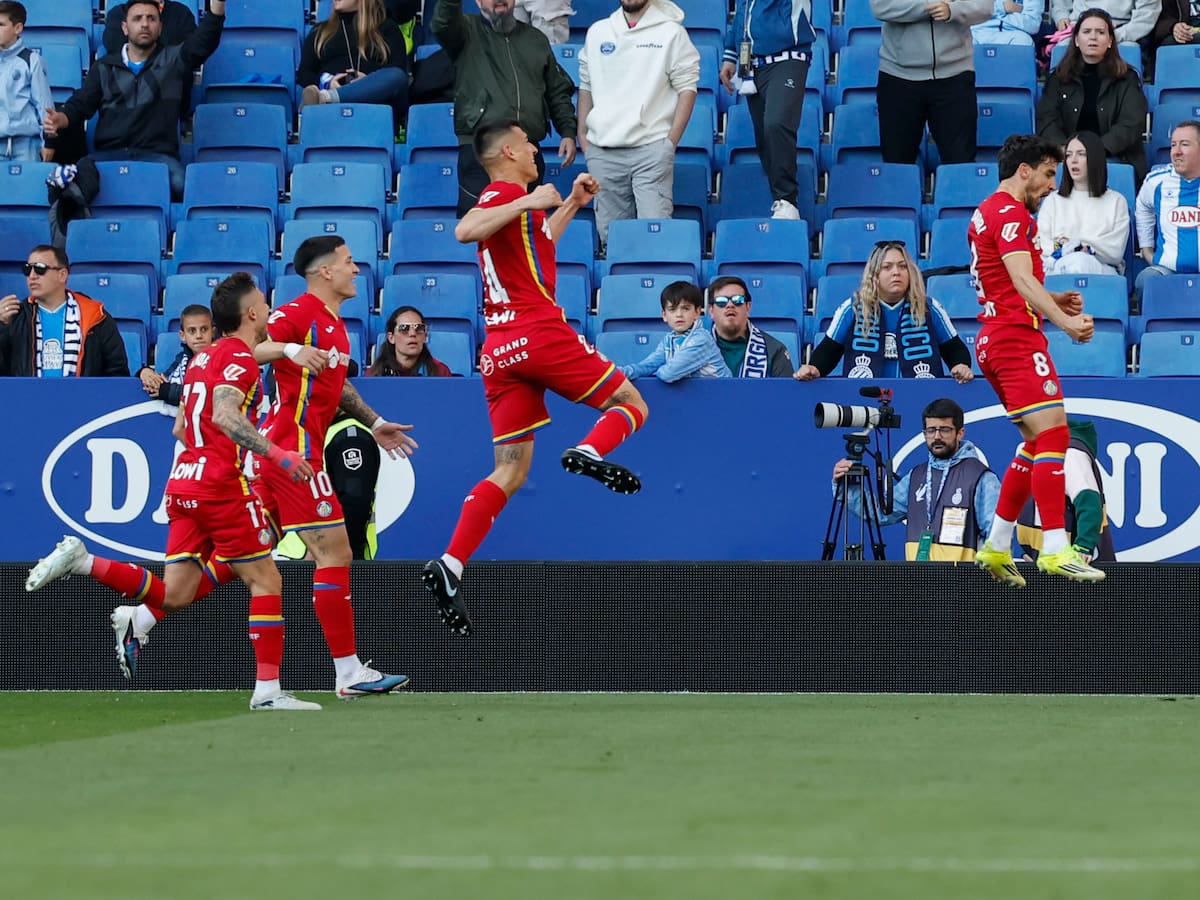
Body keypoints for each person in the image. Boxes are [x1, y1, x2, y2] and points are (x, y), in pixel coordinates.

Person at [422, 121, 649, 636]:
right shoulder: (504, 193)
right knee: (631, 403)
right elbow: (465, 229)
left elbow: (536, 242)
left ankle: (452, 564)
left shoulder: (514, 207)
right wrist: (528, 202)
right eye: (527, 143)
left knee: (510, 471)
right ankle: (590, 452)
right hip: (539, 331)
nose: (534, 150)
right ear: (507, 150)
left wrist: (568, 203)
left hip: (501, 351)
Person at [252, 235, 419, 696]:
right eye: (348, 262)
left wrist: (377, 421)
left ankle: (144, 613)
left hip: (283, 452)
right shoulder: (299, 312)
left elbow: (337, 388)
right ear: (325, 271)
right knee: (335, 554)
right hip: (294, 451)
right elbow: (247, 350)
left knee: (243, 553)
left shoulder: (335, 324)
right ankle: (348, 672)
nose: (356, 270)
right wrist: (287, 350)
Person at [969, 133, 1105, 585]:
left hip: (993, 337)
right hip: (1014, 339)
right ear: (1023, 170)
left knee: (1034, 444)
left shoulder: (987, 210)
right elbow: (1021, 281)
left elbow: (1010, 282)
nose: (1052, 185)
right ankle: (1054, 547)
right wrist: (1064, 325)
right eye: (1048, 174)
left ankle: (995, 544)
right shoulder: (1012, 213)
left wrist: (1052, 299)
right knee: (1057, 435)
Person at [42, 0, 227, 200]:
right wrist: (60, 118)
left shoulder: (173, 61)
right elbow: (81, 104)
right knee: (69, 188)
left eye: (151, 18)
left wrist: (217, 7)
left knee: (186, 188)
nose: (145, 24)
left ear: (160, 27)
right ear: (124, 27)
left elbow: (203, 42)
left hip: (158, 157)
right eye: (137, 18)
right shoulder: (104, 67)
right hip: (108, 155)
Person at [432, 0, 578, 216]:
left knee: (529, 228)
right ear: (479, 2)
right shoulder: (466, 32)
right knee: (480, 227)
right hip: (482, 151)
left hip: (527, 151)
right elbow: (442, 22)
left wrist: (567, 131)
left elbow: (556, 90)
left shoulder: (535, 39)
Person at [578, 0, 699, 245]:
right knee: (614, 243)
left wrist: (669, 143)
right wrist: (583, 135)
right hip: (603, 152)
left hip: (651, 150)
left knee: (655, 239)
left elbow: (687, 88)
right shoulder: (598, 31)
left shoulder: (672, 33)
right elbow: (586, 85)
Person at [832, 397, 1000, 560]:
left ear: (960, 433)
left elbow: (996, 538)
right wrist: (846, 486)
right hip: (918, 582)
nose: (937, 436)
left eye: (945, 429)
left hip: (962, 585)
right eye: (931, 430)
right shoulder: (916, 476)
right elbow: (880, 514)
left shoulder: (980, 477)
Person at [794, 241, 975, 382]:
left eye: (902, 266)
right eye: (887, 267)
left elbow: (955, 349)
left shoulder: (930, 308)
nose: (896, 272)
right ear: (874, 275)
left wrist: (961, 366)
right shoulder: (852, 308)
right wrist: (814, 368)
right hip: (866, 402)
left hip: (920, 401)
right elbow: (828, 351)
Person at [720, 0, 819, 220]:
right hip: (753, 63)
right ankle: (780, 198)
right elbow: (743, 13)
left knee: (776, 123)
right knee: (764, 136)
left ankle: (788, 200)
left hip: (789, 56)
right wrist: (731, 53)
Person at [871, 0, 992, 166]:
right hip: (899, 77)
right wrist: (929, 5)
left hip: (955, 76)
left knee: (960, 162)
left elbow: (985, 7)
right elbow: (881, 7)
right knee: (897, 163)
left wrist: (953, 10)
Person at [1036, 8, 1148, 186]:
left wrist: (1094, 152)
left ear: (1110, 40)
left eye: (1101, 32)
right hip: (1066, 156)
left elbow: (1131, 124)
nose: (1093, 37)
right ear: (1077, 40)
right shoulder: (1058, 77)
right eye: (1086, 32)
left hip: (1116, 157)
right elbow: (1047, 119)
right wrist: (1068, 151)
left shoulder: (1127, 78)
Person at [0, 245, 129, 377]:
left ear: (62, 275)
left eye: (40, 269)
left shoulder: (96, 316)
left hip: (81, 397)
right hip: (29, 396)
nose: (32, 276)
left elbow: (117, 372)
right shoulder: (15, 317)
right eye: (27, 269)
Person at [1017, 417, 1116, 563]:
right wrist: (1028, 551)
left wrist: (1082, 548)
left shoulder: (1070, 454)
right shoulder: (1035, 449)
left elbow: (1089, 503)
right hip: (1044, 562)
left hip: (1073, 572)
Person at [1037, 131, 1130, 276]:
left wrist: (1079, 246)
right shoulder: (1052, 201)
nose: (1073, 160)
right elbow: (1043, 247)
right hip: (1057, 267)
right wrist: (1070, 249)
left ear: (1095, 158)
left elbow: (1114, 251)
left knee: (1079, 262)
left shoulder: (1116, 201)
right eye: (1068, 155)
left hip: (1101, 271)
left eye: (1081, 154)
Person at [298, 0, 411, 120]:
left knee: (397, 75)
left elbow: (398, 75)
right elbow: (304, 74)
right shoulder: (320, 31)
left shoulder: (388, 29)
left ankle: (328, 97)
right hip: (330, 110)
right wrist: (328, 82)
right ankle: (329, 96)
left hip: (375, 105)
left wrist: (367, 81)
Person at [1134, 120, 1200, 300]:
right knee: (1145, 281)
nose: (1176, 151)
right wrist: (1146, 249)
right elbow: (1142, 207)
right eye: (1173, 145)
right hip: (1167, 271)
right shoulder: (1156, 181)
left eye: (1184, 144)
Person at [620, 280, 730, 381]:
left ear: (697, 312)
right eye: (672, 309)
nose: (679, 315)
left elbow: (669, 374)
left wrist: (653, 373)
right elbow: (648, 366)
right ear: (664, 315)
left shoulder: (701, 339)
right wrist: (618, 373)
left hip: (723, 395)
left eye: (685, 309)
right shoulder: (669, 339)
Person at [707, 275, 794, 377]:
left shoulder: (773, 349)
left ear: (748, 307)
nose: (730, 305)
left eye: (738, 300)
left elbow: (787, 392)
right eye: (721, 301)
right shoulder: (694, 349)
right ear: (711, 311)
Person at [0, 1, 53, 163]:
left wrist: (48, 143)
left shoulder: (32, 60)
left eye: (1, 25)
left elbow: (44, 104)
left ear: (18, 28)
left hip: (26, 145)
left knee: (26, 188)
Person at [136, 303, 214, 406]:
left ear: (213, 332)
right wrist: (144, 372)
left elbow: (209, 395)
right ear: (182, 335)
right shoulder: (182, 358)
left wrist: (167, 391)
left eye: (204, 329)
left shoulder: (221, 359)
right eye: (192, 331)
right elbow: (163, 380)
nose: (198, 336)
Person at [366, 305, 453, 376]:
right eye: (404, 328)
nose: (412, 334)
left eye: (419, 328)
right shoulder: (375, 374)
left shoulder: (440, 372)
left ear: (425, 337)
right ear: (391, 338)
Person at [102, 0, 196, 56]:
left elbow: (189, 52)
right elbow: (114, 48)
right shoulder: (118, 14)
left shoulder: (181, 14)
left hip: (169, 81)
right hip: (127, 82)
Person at [1052, 0, 1158, 43]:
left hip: (1122, 31)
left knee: (1129, 50)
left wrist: (1113, 35)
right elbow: (1060, 5)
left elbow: (1146, 17)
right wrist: (1062, 17)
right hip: (1079, 26)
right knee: (1063, 48)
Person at [971, 0, 1045, 46]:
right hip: (977, 33)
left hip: (1013, 36)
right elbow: (968, 12)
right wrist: (1002, 7)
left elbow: (1033, 24)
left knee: (1024, 42)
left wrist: (994, 13)